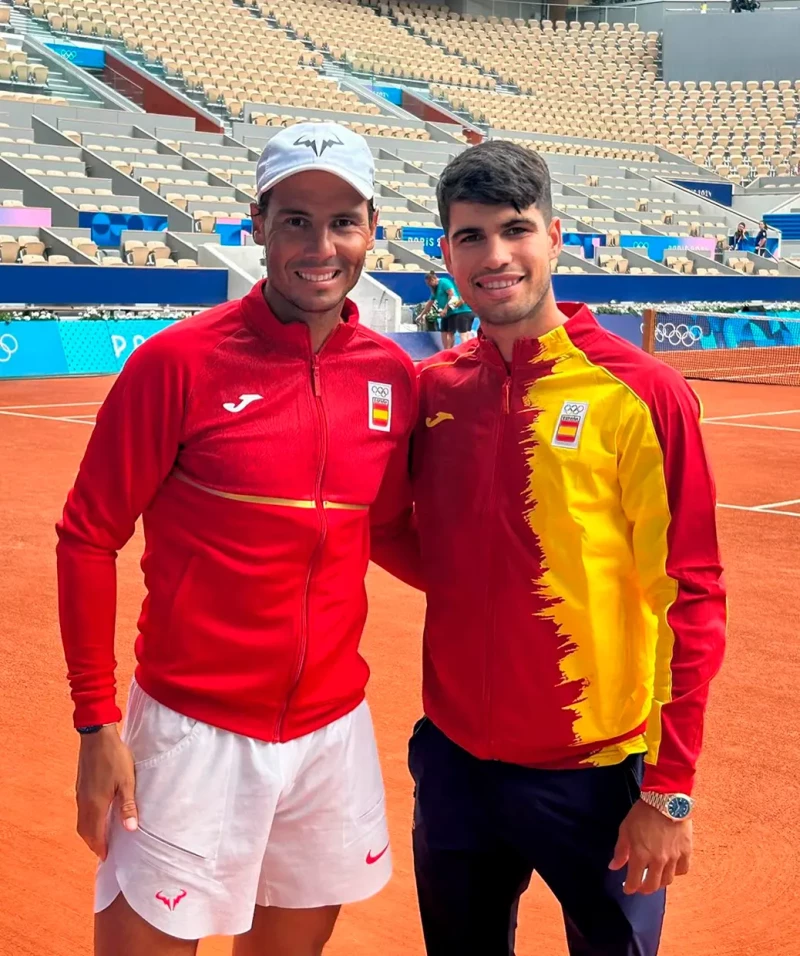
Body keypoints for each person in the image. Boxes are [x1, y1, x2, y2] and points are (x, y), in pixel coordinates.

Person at [56, 121, 419, 956]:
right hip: (190, 734)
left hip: (332, 732)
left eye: (342, 221)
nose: (319, 245)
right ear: (256, 223)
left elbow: (390, 527)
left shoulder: (392, 377)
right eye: (295, 219)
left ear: (372, 228)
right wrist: (94, 724)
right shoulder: (176, 363)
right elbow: (87, 537)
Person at [374, 140, 727, 955]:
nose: (495, 256)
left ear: (556, 235)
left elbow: (694, 593)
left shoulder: (640, 393)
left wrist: (669, 792)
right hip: (458, 763)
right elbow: (385, 525)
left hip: (598, 777)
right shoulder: (435, 390)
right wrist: (471, 585)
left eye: (515, 230)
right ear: (446, 252)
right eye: (470, 237)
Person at [418, 269, 475, 349]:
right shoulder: (434, 289)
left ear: (433, 279)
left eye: (429, 283)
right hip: (447, 314)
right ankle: (446, 350)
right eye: (427, 284)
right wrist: (421, 315)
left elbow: (453, 297)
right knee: (445, 331)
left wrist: (446, 309)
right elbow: (430, 302)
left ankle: (459, 351)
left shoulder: (444, 282)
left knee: (458, 333)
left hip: (455, 312)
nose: (429, 285)